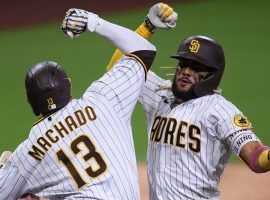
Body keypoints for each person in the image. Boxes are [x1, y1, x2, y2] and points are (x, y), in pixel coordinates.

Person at [106, 3, 270, 200]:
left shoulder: (220, 110)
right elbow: (118, 67)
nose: (186, 71)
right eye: (183, 64)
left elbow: (255, 156)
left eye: (196, 67)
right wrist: (147, 27)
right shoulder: (159, 94)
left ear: (212, 75)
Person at [0, 8, 158, 199]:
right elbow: (144, 50)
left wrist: (5, 170)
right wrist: (94, 22)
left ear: (32, 102)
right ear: (69, 86)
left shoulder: (28, 153)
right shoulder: (103, 98)